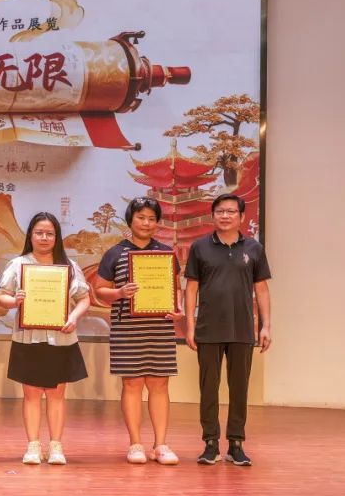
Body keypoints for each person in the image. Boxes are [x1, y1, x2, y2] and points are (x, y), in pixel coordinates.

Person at [94, 197, 184, 465]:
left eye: (152, 219)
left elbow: (175, 288)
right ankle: (135, 443)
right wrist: (120, 292)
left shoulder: (166, 253)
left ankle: (161, 445)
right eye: (141, 217)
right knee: (132, 384)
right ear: (130, 220)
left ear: (158, 223)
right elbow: (99, 290)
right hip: (127, 329)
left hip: (159, 328)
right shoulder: (115, 253)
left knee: (160, 384)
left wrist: (177, 308)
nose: (146, 223)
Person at [0, 212, 91, 465]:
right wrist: (14, 301)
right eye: (39, 233)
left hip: (61, 338)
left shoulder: (69, 267)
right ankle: (33, 446)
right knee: (31, 394)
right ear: (30, 235)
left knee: (56, 394)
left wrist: (74, 317)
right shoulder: (18, 264)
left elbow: (84, 298)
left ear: (57, 237)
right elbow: (2, 296)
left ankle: (56, 446)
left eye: (50, 233)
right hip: (28, 338)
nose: (44, 238)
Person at [185, 193, 272, 466]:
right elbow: (191, 288)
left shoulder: (254, 249)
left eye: (231, 211)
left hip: (242, 329)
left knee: (239, 389)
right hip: (208, 329)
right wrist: (189, 325)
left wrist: (266, 326)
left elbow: (261, 289)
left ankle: (236, 443)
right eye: (220, 211)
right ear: (213, 215)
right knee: (208, 389)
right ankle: (210, 443)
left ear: (241, 216)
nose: (225, 216)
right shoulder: (199, 247)